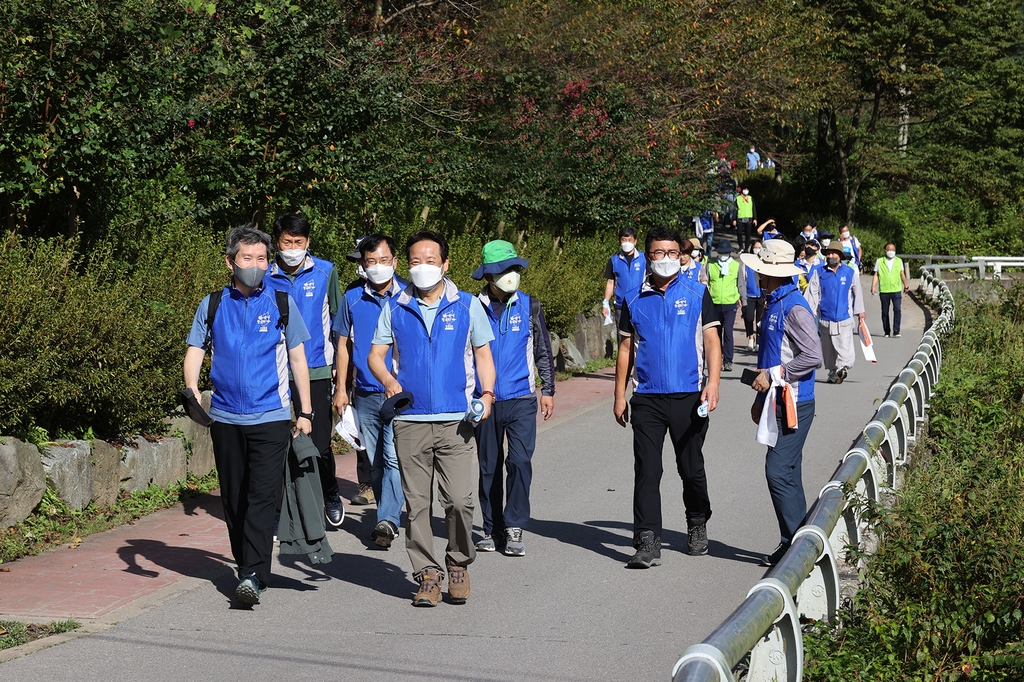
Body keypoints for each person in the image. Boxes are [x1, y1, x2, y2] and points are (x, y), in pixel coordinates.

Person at [183, 225, 312, 606]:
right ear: (230, 262)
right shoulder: (212, 304)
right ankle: (246, 567)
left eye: (261, 258)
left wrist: (305, 411)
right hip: (225, 417)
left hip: (271, 415)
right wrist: (192, 389)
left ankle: (254, 574)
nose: (255, 265)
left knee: (260, 496)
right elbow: (195, 350)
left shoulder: (282, 302)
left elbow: (298, 358)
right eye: (247, 258)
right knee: (234, 499)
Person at [368, 230, 496, 608]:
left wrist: (486, 396)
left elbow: (484, 357)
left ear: (445, 263)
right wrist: (390, 381)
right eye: (414, 261)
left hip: (457, 421)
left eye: (429, 260)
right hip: (411, 421)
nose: (422, 268)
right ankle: (427, 574)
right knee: (417, 503)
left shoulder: (468, 305)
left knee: (458, 500)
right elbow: (376, 355)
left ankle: (458, 562)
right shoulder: (395, 306)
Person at [613, 226, 722, 568]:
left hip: (689, 396)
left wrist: (713, 383)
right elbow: (626, 348)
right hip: (647, 397)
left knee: (690, 468)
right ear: (648, 257)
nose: (666, 259)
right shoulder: (633, 299)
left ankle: (697, 523)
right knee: (647, 469)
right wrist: (619, 395)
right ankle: (647, 540)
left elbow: (712, 342)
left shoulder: (697, 292)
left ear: (680, 256)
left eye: (672, 253)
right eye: (659, 253)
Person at [470, 240, 556, 557]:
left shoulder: (529, 305)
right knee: (488, 467)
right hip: (484, 400)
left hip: (521, 397)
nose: (511, 275)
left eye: (514, 268)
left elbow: (542, 349)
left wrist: (548, 389)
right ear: (489, 276)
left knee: (519, 462)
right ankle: (492, 530)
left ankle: (515, 525)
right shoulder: (471, 307)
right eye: (504, 269)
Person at [739, 239, 822, 567]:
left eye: (761, 271)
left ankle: (798, 551)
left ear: (774, 273)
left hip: (795, 401)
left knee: (777, 471)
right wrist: (762, 396)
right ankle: (798, 542)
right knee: (789, 471)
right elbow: (770, 353)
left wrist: (773, 376)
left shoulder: (794, 307)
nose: (758, 276)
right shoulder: (773, 302)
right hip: (776, 398)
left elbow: (812, 355)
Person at [265, 213, 345, 528]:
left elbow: (340, 325)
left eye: (299, 242)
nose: (294, 248)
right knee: (278, 445)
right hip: (276, 374)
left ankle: (331, 493)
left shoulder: (326, 272)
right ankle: (281, 511)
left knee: (320, 443)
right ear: (277, 243)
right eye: (288, 242)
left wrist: (342, 370)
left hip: (317, 370)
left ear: (308, 242)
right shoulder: (264, 278)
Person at [332, 234, 408, 548]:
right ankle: (385, 514)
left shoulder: (410, 295)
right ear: (363, 264)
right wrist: (341, 389)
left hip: (400, 393)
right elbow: (343, 346)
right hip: (364, 392)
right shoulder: (351, 298)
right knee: (375, 461)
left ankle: (387, 519)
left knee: (393, 458)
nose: (377, 267)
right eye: (370, 261)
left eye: (383, 260)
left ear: (395, 261)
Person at [342, 237, 376, 506]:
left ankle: (394, 485)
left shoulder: (402, 290)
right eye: (361, 262)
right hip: (360, 376)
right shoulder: (352, 294)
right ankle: (367, 485)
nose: (364, 267)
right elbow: (343, 340)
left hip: (396, 378)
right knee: (362, 434)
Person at [805, 241, 866, 384]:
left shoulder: (849, 272)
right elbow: (812, 293)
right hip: (825, 318)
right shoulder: (819, 273)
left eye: (834, 253)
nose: (831, 256)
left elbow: (858, 293)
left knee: (845, 346)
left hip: (844, 317)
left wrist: (860, 311)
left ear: (840, 256)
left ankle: (843, 367)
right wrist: (809, 310)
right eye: (829, 253)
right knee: (828, 348)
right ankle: (833, 372)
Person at [707, 239, 745, 372]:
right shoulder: (710, 264)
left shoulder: (736, 265)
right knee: (715, 334)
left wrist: (743, 301)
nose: (723, 255)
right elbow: (706, 284)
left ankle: (728, 360)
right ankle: (716, 359)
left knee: (728, 332)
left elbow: (740, 284)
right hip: (714, 303)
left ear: (730, 253)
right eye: (721, 252)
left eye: (726, 252)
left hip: (730, 303)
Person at [603, 227, 647, 331]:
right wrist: (605, 303)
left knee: (640, 334)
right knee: (622, 334)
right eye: (624, 240)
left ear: (635, 241)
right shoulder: (614, 260)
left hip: (640, 302)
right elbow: (610, 282)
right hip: (621, 305)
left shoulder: (644, 259)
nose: (627, 243)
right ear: (619, 241)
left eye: (630, 240)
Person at [870, 243, 910, 338]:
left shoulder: (899, 261)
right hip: (884, 290)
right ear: (885, 250)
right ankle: (887, 331)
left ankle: (896, 330)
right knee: (885, 311)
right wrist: (873, 286)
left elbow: (902, 274)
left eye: (893, 250)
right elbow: (876, 274)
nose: (891, 251)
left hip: (896, 289)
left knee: (897, 309)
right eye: (889, 249)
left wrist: (906, 284)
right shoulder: (880, 261)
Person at [742, 241, 764, 351]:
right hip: (749, 295)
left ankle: (759, 341)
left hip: (761, 295)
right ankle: (750, 338)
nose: (757, 249)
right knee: (749, 317)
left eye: (759, 247)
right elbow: (743, 279)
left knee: (760, 319)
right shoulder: (746, 263)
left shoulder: (764, 262)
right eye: (755, 247)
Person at [733, 186, 757, 253]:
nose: (746, 191)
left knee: (748, 234)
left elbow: (753, 208)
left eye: (747, 189)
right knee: (739, 233)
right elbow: (735, 209)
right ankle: (741, 247)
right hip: (740, 218)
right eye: (745, 189)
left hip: (749, 218)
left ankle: (746, 248)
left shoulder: (750, 198)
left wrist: (755, 218)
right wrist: (734, 219)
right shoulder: (738, 198)